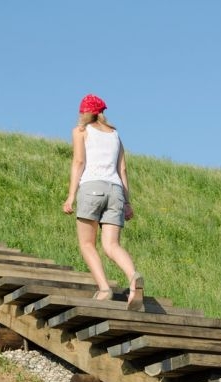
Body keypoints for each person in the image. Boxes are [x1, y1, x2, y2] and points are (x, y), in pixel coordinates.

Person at [62, 94, 144, 310]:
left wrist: (71, 195)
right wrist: (127, 202)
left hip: (91, 188)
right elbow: (122, 169)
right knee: (112, 245)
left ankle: (105, 289)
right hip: (115, 191)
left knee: (87, 243)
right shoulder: (115, 135)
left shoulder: (80, 131)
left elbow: (79, 161)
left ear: (86, 112)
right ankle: (134, 278)